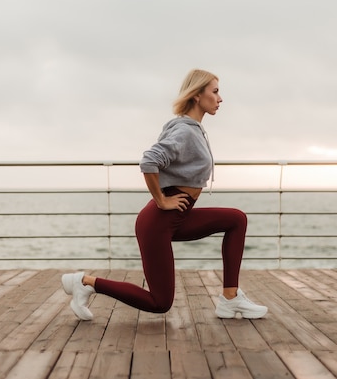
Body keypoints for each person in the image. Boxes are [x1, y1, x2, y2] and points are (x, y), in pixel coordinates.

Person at [61, 69, 267, 320]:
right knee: (159, 302)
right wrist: (161, 199)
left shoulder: (192, 129)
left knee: (236, 219)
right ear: (196, 95)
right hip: (158, 223)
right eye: (214, 92)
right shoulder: (185, 132)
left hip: (177, 217)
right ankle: (85, 282)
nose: (220, 98)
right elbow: (149, 161)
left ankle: (230, 299)